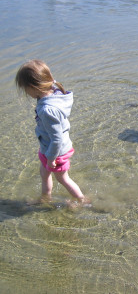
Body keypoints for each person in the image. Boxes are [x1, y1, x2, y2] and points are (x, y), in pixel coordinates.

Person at [16, 59, 89, 206]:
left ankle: (82, 200)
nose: (26, 93)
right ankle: (45, 199)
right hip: (48, 148)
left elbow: (57, 139)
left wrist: (50, 158)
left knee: (62, 178)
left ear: (32, 87)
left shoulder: (47, 110)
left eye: (25, 89)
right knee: (44, 174)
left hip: (56, 152)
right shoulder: (55, 92)